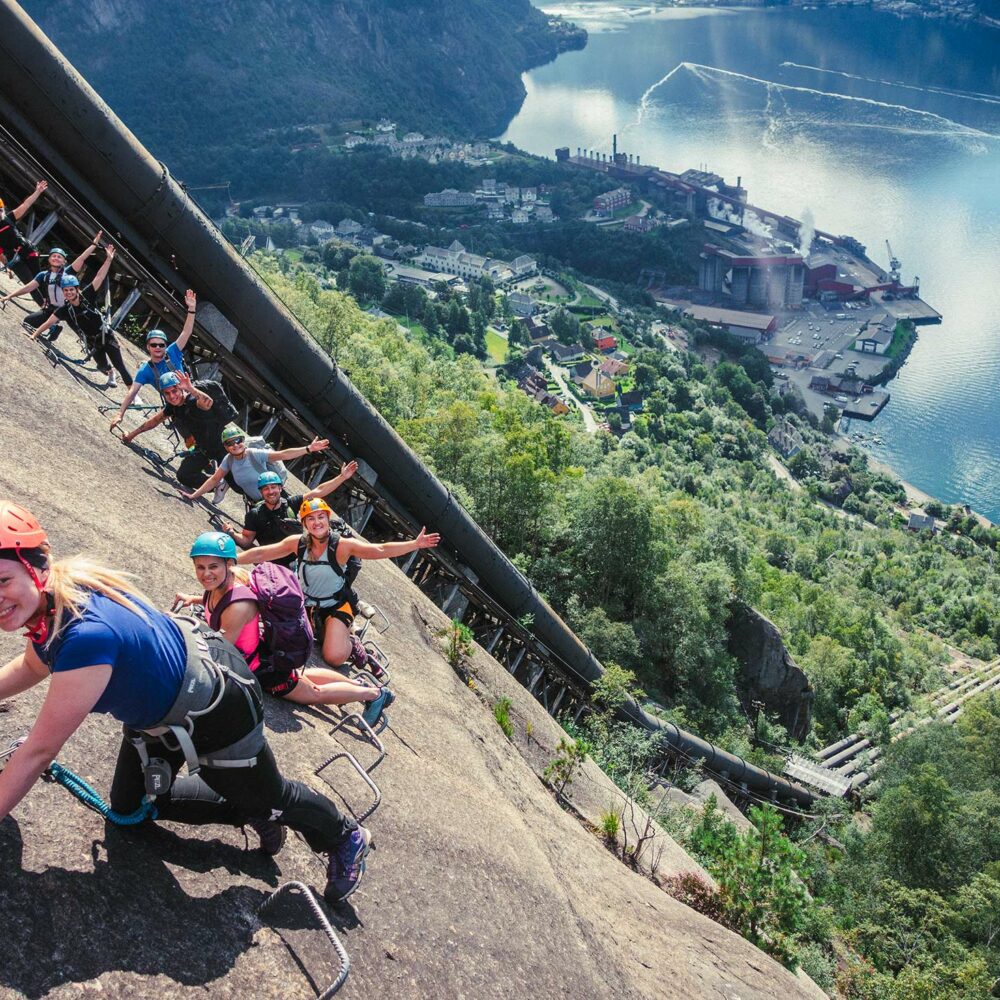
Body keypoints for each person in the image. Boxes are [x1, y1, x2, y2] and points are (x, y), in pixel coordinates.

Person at [0, 501, 372, 904]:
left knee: (271, 795)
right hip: (164, 710)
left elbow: (38, 751)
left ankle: (344, 835)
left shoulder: (86, 634)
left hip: (217, 709)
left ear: (35, 566)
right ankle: (244, 811)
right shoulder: (58, 599)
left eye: (2, 580)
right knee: (131, 809)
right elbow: (32, 665)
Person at [175, 532, 393, 725]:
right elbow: (217, 603)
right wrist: (193, 599)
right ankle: (355, 685)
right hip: (266, 653)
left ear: (229, 564)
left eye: (213, 567)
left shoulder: (238, 607)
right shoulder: (232, 579)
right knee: (299, 677)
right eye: (200, 567)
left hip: (264, 670)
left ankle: (373, 694)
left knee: (314, 693)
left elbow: (219, 650)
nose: (205, 574)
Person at [238, 498, 440, 680]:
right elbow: (262, 553)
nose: (317, 522)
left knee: (333, 657)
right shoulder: (297, 543)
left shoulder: (342, 546)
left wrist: (414, 544)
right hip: (306, 604)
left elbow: (381, 549)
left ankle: (355, 646)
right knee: (283, 637)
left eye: (321, 517)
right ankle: (328, 632)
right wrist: (232, 559)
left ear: (327, 519)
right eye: (311, 519)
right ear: (304, 524)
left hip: (335, 605)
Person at [120, 371, 242, 502]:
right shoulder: (173, 407)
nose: (172, 396)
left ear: (180, 388)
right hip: (203, 449)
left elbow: (208, 403)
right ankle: (218, 484)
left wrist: (190, 388)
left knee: (238, 485)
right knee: (184, 476)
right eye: (167, 393)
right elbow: (154, 421)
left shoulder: (193, 399)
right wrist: (131, 435)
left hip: (222, 446)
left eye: (174, 391)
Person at [27, 245, 133, 389]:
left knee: (120, 364)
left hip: (106, 336)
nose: (69, 293)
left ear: (77, 289)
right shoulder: (64, 309)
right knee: (102, 365)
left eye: (72, 289)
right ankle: (110, 373)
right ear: (63, 292)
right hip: (92, 342)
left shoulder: (88, 295)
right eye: (66, 291)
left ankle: (133, 396)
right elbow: (49, 322)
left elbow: (99, 277)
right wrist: (34, 335)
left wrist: (108, 260)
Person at [222, 461, 360, 565]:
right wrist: (231, 532)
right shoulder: (255, 514)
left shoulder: (291, 503)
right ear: (261, 492)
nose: (270, 492)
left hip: (299, 560)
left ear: (280, 488)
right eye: (265, 489)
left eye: (273, 487)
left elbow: (319, 491)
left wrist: (342, 477)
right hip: (274, 565)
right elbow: (246, 541)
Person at [110, 289, 197, 429]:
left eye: (161, 344)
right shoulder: (145, 370)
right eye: (153, 344)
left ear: (165, 345)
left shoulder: (173, 351)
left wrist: (191, 309)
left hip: (189, 395)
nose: (158, 347)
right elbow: (133, 391)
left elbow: (186, 332)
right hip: (174, 404)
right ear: (148, 347)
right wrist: (120, 413)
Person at [180, 427, 330, 506]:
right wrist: (193, 496)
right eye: (230, 443)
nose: (235, 445)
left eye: (238, 440)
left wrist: (308, 449)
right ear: (225, 447)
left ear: (243, 441)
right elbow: (213, 480)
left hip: (277, 501)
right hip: (258, 504)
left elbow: (283, 455)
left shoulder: (254, 453)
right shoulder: (228, 460)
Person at [1, 230, 104, 341]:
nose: (56, 258)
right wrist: (8, 297)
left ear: (64, 261)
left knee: (86, 335)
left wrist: (94, 245)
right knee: (28, 321)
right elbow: (28, 287)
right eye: (53, 256)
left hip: (69, 310)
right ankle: (55, 328)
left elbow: (82, 257)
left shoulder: (69, 272)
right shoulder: (43, 275)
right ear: (49, 259)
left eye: (59, 257)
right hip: (53, 310)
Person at [0, 179, 47, 290]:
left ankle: (49, 300)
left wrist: (38, 191)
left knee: (38, 278)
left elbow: (26, 205)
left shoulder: (9, 218)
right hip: (14, 258)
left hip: (26, 251)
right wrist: (6, 263)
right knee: (31, 284)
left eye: (0, 209)